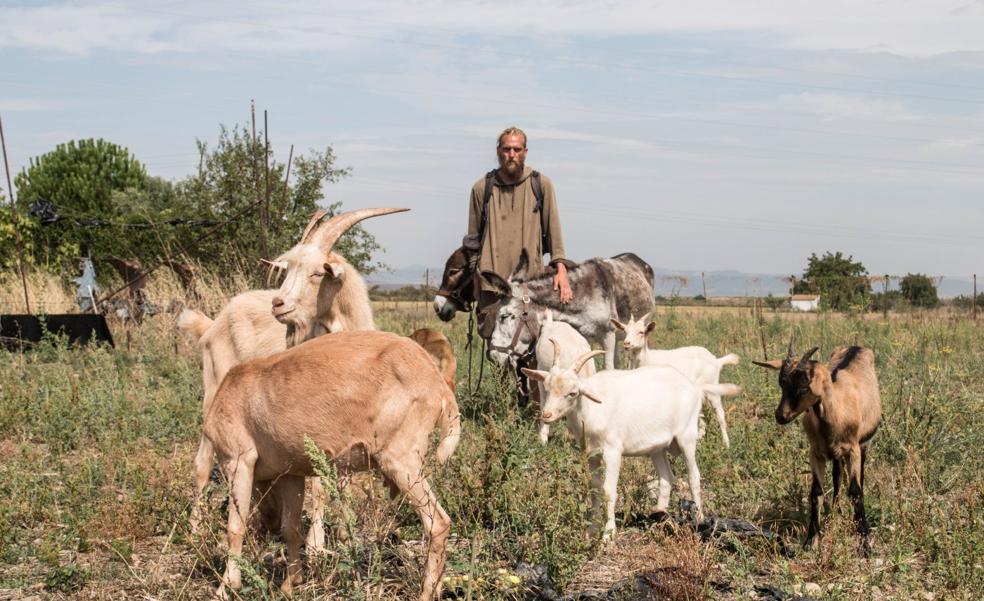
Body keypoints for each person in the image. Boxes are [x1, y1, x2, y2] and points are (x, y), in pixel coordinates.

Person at [465, 126, 574, 337]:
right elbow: (472, 241)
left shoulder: (540, 184)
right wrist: (475, 280)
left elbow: (554, 231)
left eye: (517, 149)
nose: (511, 155)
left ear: (525, 151)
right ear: (498, 151)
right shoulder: (482, 188)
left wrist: (561, 270)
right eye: (507, 149)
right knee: (497, 347)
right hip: (492, 284)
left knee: (532, 344)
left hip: (530, 283)